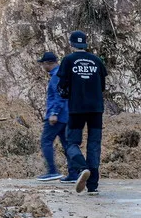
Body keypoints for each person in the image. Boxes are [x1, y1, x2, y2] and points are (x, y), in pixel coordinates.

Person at [55, 30, 107, 195]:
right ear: (86, 44)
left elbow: (62, 84)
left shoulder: (68, 60)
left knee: (72, 143)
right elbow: (103, 86)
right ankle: (93, 185)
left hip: (77, 109)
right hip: (96, 110)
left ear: (71, 44)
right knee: (94, 144)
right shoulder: (97, 61)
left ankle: (82, 167)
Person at [36, 51, 69, 182]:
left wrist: (54, 113)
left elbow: (59, 96)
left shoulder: (56, 76)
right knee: (66, 144)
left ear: (48, 63)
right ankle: (75, 172)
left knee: (46, 141)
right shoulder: (62, 73)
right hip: (65, 115)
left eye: (43, 64)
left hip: (57, 116)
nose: (43, 67)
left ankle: (52, 171)